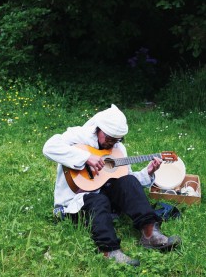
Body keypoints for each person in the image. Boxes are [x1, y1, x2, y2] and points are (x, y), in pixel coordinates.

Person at [43, 104, 181, 266]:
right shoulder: (78, 136)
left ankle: (150, 234)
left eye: (117, 139)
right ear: (99, 129)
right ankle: (110, 251)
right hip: (76, 200)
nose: (112, 143)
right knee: (98, 200)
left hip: (107, 199)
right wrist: (86, 157)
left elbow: (125, 181)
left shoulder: (117, 148)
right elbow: (48, 148)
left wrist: (148, 172)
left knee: (128, 181)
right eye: (109, 138)